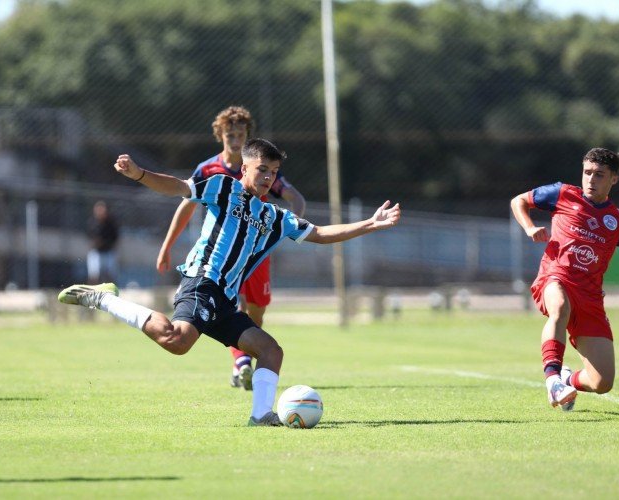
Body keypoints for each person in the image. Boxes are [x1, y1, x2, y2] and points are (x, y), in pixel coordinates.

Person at [59, 138, 401, 426]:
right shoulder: (223, 187)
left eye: (274, 173)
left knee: (271, 351)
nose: (268, 178)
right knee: (177, 342)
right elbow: (179, 188)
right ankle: (103, 299)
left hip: (225, 299)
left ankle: (261, 416)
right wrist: (139, 174)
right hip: (202, 282)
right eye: (262, 170)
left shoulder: (275, 217)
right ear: (245, 168)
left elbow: (321, 233)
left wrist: (370, 224)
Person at [156, 106, 306, 391]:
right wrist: (167, 246)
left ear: (247, 136)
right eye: (230, 134)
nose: (235, 140)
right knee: (228, 304)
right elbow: (185, 205)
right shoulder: (208, 170)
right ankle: (241, 365)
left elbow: (293, 196)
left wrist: (292, 226)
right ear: (220, 135)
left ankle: (250, 360)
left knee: (255, 314)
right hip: (219, 257)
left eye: (241, 134)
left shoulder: (261, 169)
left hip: (255, 255)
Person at [511, 147, 619, 412]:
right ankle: (554, 380)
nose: (591, 179)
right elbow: (518, 201)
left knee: (602, 382)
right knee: (559, 308)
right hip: (554, 277)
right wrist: (529, 227)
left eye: (599, 175)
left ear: (614, 179)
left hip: (590, 298)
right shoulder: (563, 194)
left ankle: (568, 378)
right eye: (587, 172)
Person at [87, 200, 120, 284]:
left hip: (108, 251)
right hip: (96, 251)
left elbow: (115, 237)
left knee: (110, 275)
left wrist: (105, 242)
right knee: (94, 275)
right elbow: (89, 235)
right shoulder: (92, 222)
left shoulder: (111, 223)